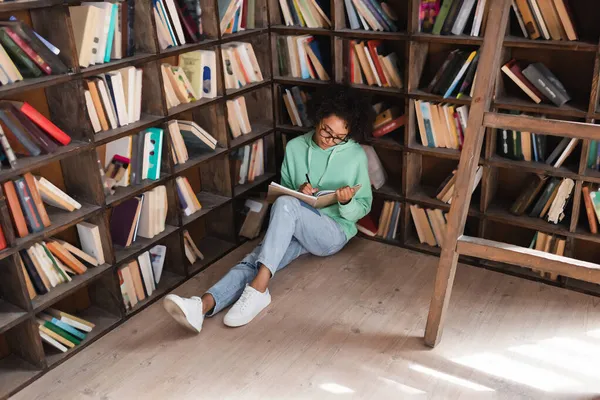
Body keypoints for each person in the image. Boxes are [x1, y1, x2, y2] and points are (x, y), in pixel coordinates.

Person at [163, 85, 373, 333]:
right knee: (259, 258)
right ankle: (202, 305)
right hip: (297, 225)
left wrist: (346, 201)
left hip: (333, 231)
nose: (329, 140)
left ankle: (259, 289)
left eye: (338, 138)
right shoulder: (295, 147)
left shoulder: (356, 155)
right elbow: (284, 194)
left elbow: (364, 206)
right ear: (318, 118)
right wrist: (300, 190)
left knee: (284, 214)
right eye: (326, 130)